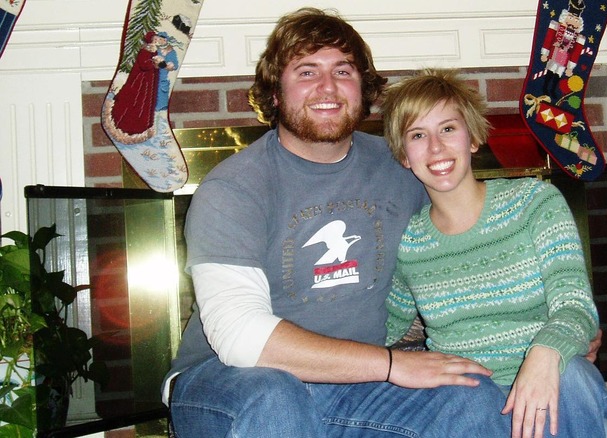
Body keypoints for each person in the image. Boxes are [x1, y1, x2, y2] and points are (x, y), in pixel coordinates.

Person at [164, 8, 515, 437]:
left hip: (356, 385)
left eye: (343, 71)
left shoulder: (403, 165)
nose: (327, 87)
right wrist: (391, 365)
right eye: (307, 71)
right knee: (275, 399)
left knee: (470, 396)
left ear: (363, 88)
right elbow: (240, 337)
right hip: (228, 381)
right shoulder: (233, 189)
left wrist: (551, 325)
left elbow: (475, 240)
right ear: (276, 93)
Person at [381, 68, 607, 438]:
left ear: (472, 138)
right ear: (404, 155)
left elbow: (576, 305)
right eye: (418, 135)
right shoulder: (410, 244)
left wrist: (544, 354)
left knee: (573, 374)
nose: (436, 147)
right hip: (472, 408)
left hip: (557, 389)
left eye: (448, 129)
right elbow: (382, 328)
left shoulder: (534, 203)